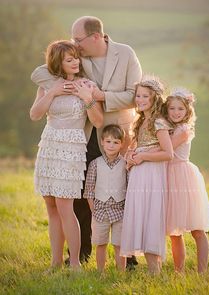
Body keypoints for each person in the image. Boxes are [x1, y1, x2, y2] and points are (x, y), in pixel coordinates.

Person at [32, 16, 142, 266]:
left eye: (78, 39)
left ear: (96, 37)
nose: (75, 44)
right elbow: (42, 71)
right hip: (83, 134)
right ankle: (80, 253)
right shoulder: (77, 57)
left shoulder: (125, 54)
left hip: (118, 134)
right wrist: (56, 85)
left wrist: (98, 95)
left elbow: (134, 95)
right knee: (81, 194)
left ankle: (128, 257)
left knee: (118, 194)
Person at [30, 40, 103, 271]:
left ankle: (75, 263)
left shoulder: (87, 84)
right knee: (50, 205)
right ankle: (56, 262)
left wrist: (86, 97)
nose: (75, 62)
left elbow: (99, 121)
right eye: (69, 59)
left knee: (65, 206)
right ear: (57, 63)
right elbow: (35, 114)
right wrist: (53, 92)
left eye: (76, 58)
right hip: (49, 145)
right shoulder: (47, 84)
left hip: (72, 148)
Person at [120, 76, 173, 275]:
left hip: (151, 173)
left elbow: (168, 153)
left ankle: (154, 270)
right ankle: (152, 268)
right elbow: (138, 147)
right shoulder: (141, 120)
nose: (140, 99)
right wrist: (131, 155)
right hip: (139, 173)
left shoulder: (158, 122)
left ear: (155, 99)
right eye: (138, 95)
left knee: (150, 215)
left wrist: (143, 157)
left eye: (145, 96)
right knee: (140, 213)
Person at [161, 87, 209, 273]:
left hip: (183, 177)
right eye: (172, 109)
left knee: (197, 229)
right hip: (168, 177)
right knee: (175, 232)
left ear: (187, 111)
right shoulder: (167, 127)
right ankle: (179, 271)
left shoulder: (184, 129)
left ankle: (202, 271)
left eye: (180, 109)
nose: (176, 112)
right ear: (167, 110)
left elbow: (166, 150)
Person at [83, 124, 127, 272]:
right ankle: (100, 271)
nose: (111, 145)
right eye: (108, 141)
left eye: (115, 142)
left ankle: (121, 272)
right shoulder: (95, 164)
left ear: (121, 144)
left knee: (119, 244)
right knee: (100, 243)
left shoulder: (125, 164)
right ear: (102, 142)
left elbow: (128, 188)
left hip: (119, 211)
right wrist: (92, 208)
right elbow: (89, 188)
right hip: (100, 211)